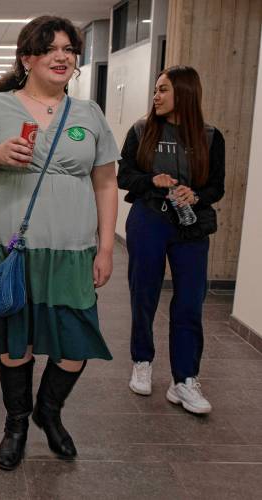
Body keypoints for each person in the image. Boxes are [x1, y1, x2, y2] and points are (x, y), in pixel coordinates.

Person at [0, 15, 119, 470]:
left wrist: (105, 248)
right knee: (15, 342)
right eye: (50, 48)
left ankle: (49, 409)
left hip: (71, 249)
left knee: (75, 344)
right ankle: (17, 423)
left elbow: (105, 183)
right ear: (28, 58)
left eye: (69, 48)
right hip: (8, 249)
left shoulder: (89, 114)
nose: (62, 56)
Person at [117, 66, 225, 415]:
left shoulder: (210, 137)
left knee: (190, 301)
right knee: (144, 293)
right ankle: (142, 361)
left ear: (185, 93)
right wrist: (153, 180)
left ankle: (185, 380)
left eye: (163, 90)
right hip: (149, 219)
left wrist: (196, 195)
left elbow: (217, 186)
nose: (156, 96)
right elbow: (125, 176)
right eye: (155, 90)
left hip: (191, 227)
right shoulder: (141, 130)